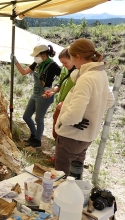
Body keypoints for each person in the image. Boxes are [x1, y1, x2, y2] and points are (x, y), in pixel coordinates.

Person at [54, 38, 114, 176]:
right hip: (86, 136)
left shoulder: (86, 78)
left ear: (78, 57)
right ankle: (75, 197)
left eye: (71, 58)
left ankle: (64, 197)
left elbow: (73, 116)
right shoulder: (100, 73)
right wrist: (90, 114)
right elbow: (109, 100)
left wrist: (65, 117)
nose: (72, 62)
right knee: (75, 174)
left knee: (62, 178)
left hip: (71, 136)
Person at [11, 44, 61, 147]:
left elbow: (63, 79)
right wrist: (15, 62)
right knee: (26, 116)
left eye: (37, 55)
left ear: (43, 54)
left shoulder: (53, 65)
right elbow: (24, 72)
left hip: (45, 95)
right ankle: (34, 135)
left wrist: (53, 89)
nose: (35, 57)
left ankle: (38, 141)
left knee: (39, 119)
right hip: (35, 93)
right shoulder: (37, 64)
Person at [45, 48, 76, 143]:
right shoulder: (65, 70)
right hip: (60, 106)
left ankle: (59, 153)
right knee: (56, 130)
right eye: (62, 63)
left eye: (65, 62)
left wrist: (66, 103)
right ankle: (57, 151)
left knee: (63, 133)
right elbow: (60, 83)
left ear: (73, 59)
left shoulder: (80, 74)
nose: (63, 65)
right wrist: (53, 90)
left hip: (69, 108)